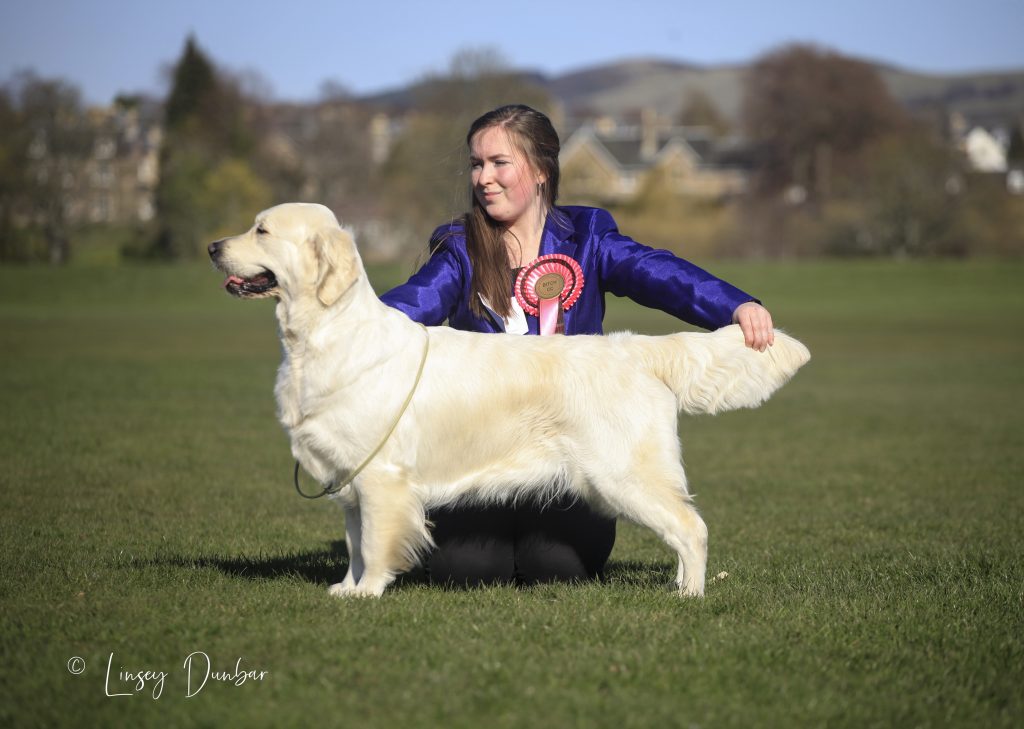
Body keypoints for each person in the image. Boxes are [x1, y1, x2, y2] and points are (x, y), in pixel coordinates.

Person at [380, 104, 774, 587]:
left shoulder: (586, 239)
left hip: (571, 456)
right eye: (477, 164)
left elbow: (661, 274)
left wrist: (735, 307)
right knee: (468, 572)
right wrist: (349, 331)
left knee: (555, 568)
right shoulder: (461, 247)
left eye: (500, 163)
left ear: (542, 170)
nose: (484, 178)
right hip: (479, 461)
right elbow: (410, 305)